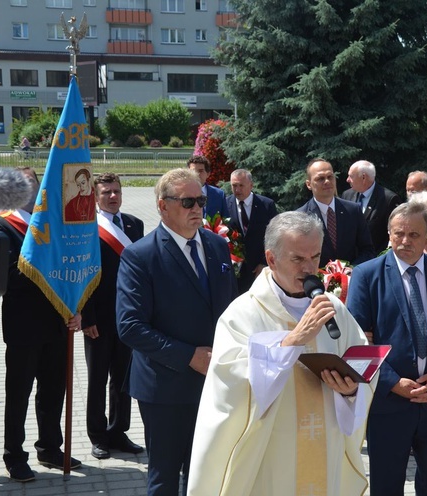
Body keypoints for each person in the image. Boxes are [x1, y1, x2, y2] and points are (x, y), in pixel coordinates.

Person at [187, 212, 374, 495]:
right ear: (271, 259)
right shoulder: (243, 314)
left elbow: (362, 369)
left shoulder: (333, 309)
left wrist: (350, 392)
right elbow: (229, 389)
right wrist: (294, 340)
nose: (310, 268)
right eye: (298, 259)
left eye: (315, 256)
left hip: (326, 446)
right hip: (272, 453)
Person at [116, 168, 238, 495]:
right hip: (165, 388)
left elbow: (234, 309)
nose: (197, 208)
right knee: (165, 479)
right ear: (163, 205)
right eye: (187, 201)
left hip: (216, 382)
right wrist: (189, 357)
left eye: (200, 200)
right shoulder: (140, 255)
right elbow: (130, 326)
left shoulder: (217, 246)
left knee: (207, 475)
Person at [346, 201, 427, 495]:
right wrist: (393, 382)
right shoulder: (366, 275)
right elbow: (358, 344)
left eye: (413, 235)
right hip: (389, 404)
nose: (404, 241)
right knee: (387, 485)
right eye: (397, 234)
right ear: (389, 234)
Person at [0, 167, 83, 482]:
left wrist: (74, 304)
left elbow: (68, 268)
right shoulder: (0, 225)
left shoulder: (53, 224)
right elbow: (4, 281)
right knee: (19, 395)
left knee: (54, 391)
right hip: (24, 326)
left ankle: (50, 448)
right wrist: (40, 260)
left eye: (35, 187)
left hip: (56, 321)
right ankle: (14, 455)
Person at [81, 172, 144, 460]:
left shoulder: (134, 224)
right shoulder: (85, 227)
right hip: (99, 317)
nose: (113, 196)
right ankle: (98, 435)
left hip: (129, 316)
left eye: (117, 191)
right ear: (95, 196)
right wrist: (87, 316)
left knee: (123, 378)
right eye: (106, 192)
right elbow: (83, 275)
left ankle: (118, 431)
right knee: (97, 379)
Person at [297, 158, 374, 267]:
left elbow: (367, 250)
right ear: (309, 184)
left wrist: (352, 270)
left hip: (351, 280)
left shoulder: (353, 211)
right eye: (320, 178)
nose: (327, 181)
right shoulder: (300, 217)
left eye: (330, 177)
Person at [225, 168, 278, 294]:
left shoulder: (266, 205)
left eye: (241, 185)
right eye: (234, 186)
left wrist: (264, 262)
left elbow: (274, 235)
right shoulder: (225, 204)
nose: (237, 190)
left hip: (260, 268)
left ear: (251, 185)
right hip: (236, 272)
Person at [341, 160, 402, 253]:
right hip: (349, 259)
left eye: (351, 176)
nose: (347, 180)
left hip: (374, 258)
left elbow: (394, 232)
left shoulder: (388, 199)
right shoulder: (347, 195)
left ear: (363, 177)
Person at [188, 154, 226, 219]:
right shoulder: (182, 194)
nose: (196, 174)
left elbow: (226, 219)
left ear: (208, 174)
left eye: (200, 171)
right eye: (193, 171)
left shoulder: (219, 195)